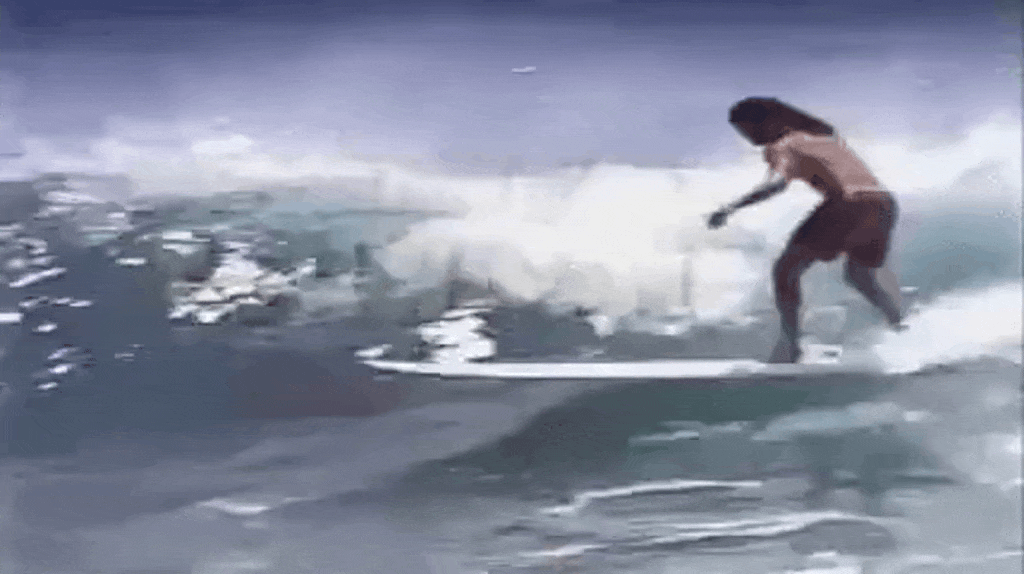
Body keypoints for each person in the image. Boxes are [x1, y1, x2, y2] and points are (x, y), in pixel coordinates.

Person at [708, 97, 905, 363]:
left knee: (786, 269)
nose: (748, 137)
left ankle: (790, 346)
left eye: (748, 129)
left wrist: (730, 208)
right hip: (883, 204)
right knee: (860, 276)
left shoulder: (782, 145)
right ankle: (901, 328)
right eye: (741, 132)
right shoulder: (824, 137)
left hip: (849, 203)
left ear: (769, 122)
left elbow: (776, 184)